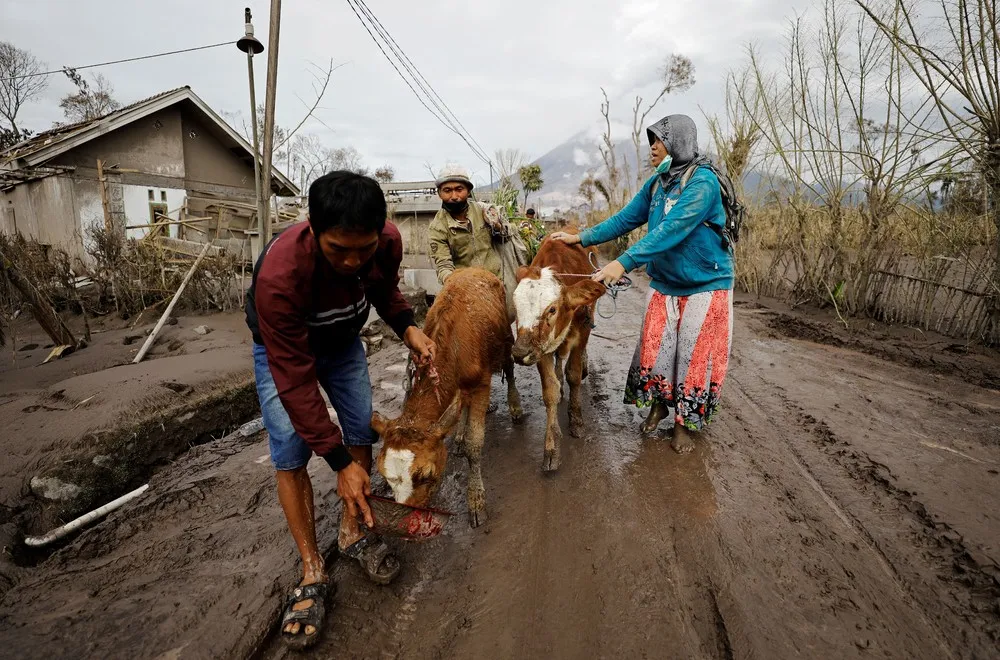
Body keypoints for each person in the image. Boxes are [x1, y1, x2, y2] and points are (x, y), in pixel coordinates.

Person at [245, 171, 435, 649]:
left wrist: (407, 327)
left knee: (359, 426)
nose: (352, 261)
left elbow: (383, 290)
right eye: (338, 250)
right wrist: (337, 462)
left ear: (380, 232)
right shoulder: (279, 277)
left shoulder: (386, 241)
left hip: (343, 341)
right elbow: (294, 382)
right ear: (312, 229)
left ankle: (352, 532)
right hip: (283, 350)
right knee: (290, 449)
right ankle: (312, 569)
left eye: (363, 249)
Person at [551, 114, 734, 454]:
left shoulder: (702, 183)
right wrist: (581, 238)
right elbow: (625, 218)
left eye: (659, 140)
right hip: (666, 281)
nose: (652, 147)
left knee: (693, 356)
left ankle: (683, 425)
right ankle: (659, 405)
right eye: (651, 140)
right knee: (657, 349)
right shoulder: (657, 182)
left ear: (678, 143)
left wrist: (622, 263)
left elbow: (672, 229)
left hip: (706, 284)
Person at [427, 164, 527, 320]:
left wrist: (497, 225)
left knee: (505, 330)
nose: (454, 196)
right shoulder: (437, 228)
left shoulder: (484, 211)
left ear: (468, 191)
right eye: (447, 190)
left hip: (498, 283)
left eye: (459, 189)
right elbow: (443, 266)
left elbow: (507, 235)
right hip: (468, 292)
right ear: (439, 193)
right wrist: (456, 281)